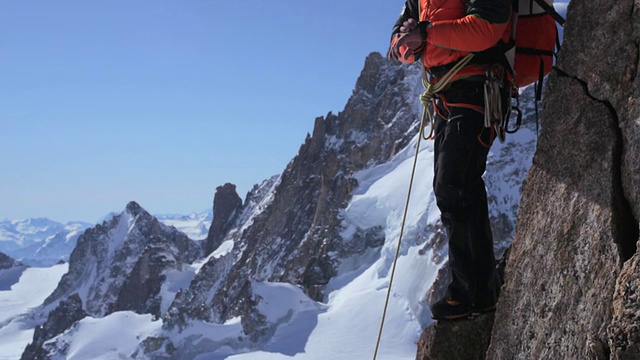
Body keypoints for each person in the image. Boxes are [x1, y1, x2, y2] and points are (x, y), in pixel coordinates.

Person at [388, 0, 512, 320]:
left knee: (455, 184)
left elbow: (486, 29)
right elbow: (397, 44)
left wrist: (425, 34)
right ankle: (479, 292)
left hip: (478, 85)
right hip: (447, 94)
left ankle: (472, 292)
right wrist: (409, 41)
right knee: (452, 188)